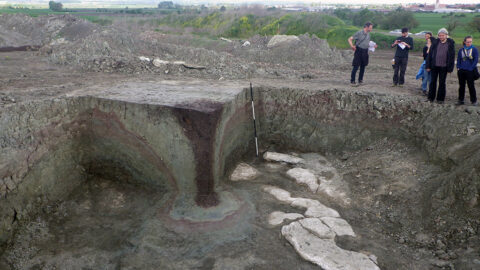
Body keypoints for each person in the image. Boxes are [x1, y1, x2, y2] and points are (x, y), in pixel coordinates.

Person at [426, 28, 455, 104]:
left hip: (444, 67)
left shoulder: (450, 44)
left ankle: (440, 99)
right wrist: (428, 66)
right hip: (434, 66)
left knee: (442, 83)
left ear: (446, 35)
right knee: (432, 82)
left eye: (442, 35)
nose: (441, 37)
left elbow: (452, 57)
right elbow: (429, 55)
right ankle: (430, 98)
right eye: (439, 35)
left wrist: (450, 69)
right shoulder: (435, 43)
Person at [348, 22, 377, 86]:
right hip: (358, 50)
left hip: (365, 51)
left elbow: (367, 43)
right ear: (366, 27)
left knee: (363, 66)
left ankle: (360, 80)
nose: (371, 29)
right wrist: (352, 46)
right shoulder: (359, 33)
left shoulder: (369, 34)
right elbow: (350, 39)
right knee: (356, 66)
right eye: (370, 28)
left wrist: (373, 46)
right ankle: (352, 80)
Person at [456, 36, 478, 106]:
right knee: (461, 86)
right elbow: (458, 59)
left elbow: (476, 60)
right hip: (461, 71)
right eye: (468, 42)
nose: (469, 43)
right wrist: (458, 67)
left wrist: (471, 68)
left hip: (470, 71)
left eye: (470, 42)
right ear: (465, 42)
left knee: (471, 86)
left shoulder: (474, 50)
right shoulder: (461, 50)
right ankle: (461, 100)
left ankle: (473, 101)